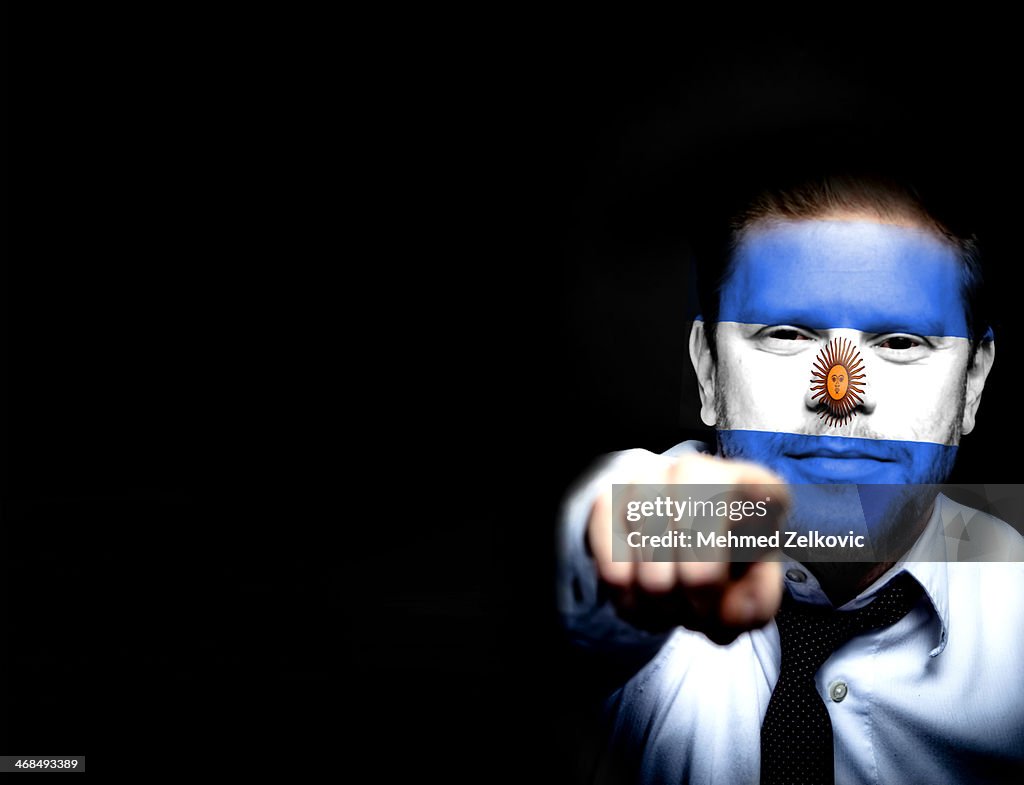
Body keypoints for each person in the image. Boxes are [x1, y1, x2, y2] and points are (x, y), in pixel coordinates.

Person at [557, 173, 1024, 784]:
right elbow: (585, 562)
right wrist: (606, 545)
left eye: (902, 343)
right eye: (786, 334)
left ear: (972, 385)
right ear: (707, 372)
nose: (840, 396)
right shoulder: (656, 529)